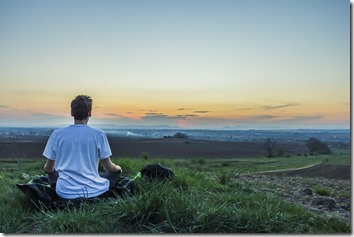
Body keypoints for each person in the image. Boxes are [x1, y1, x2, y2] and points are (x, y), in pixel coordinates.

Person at [42, 95, 122, 200]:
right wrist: (119, 168)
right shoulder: (99, 134)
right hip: (93, 191)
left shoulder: (57, 135)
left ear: (72, 113)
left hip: (64, 193)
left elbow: (48, 169)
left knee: (52, 173)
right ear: (90, 113)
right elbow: (109, 168)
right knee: (115, 174)